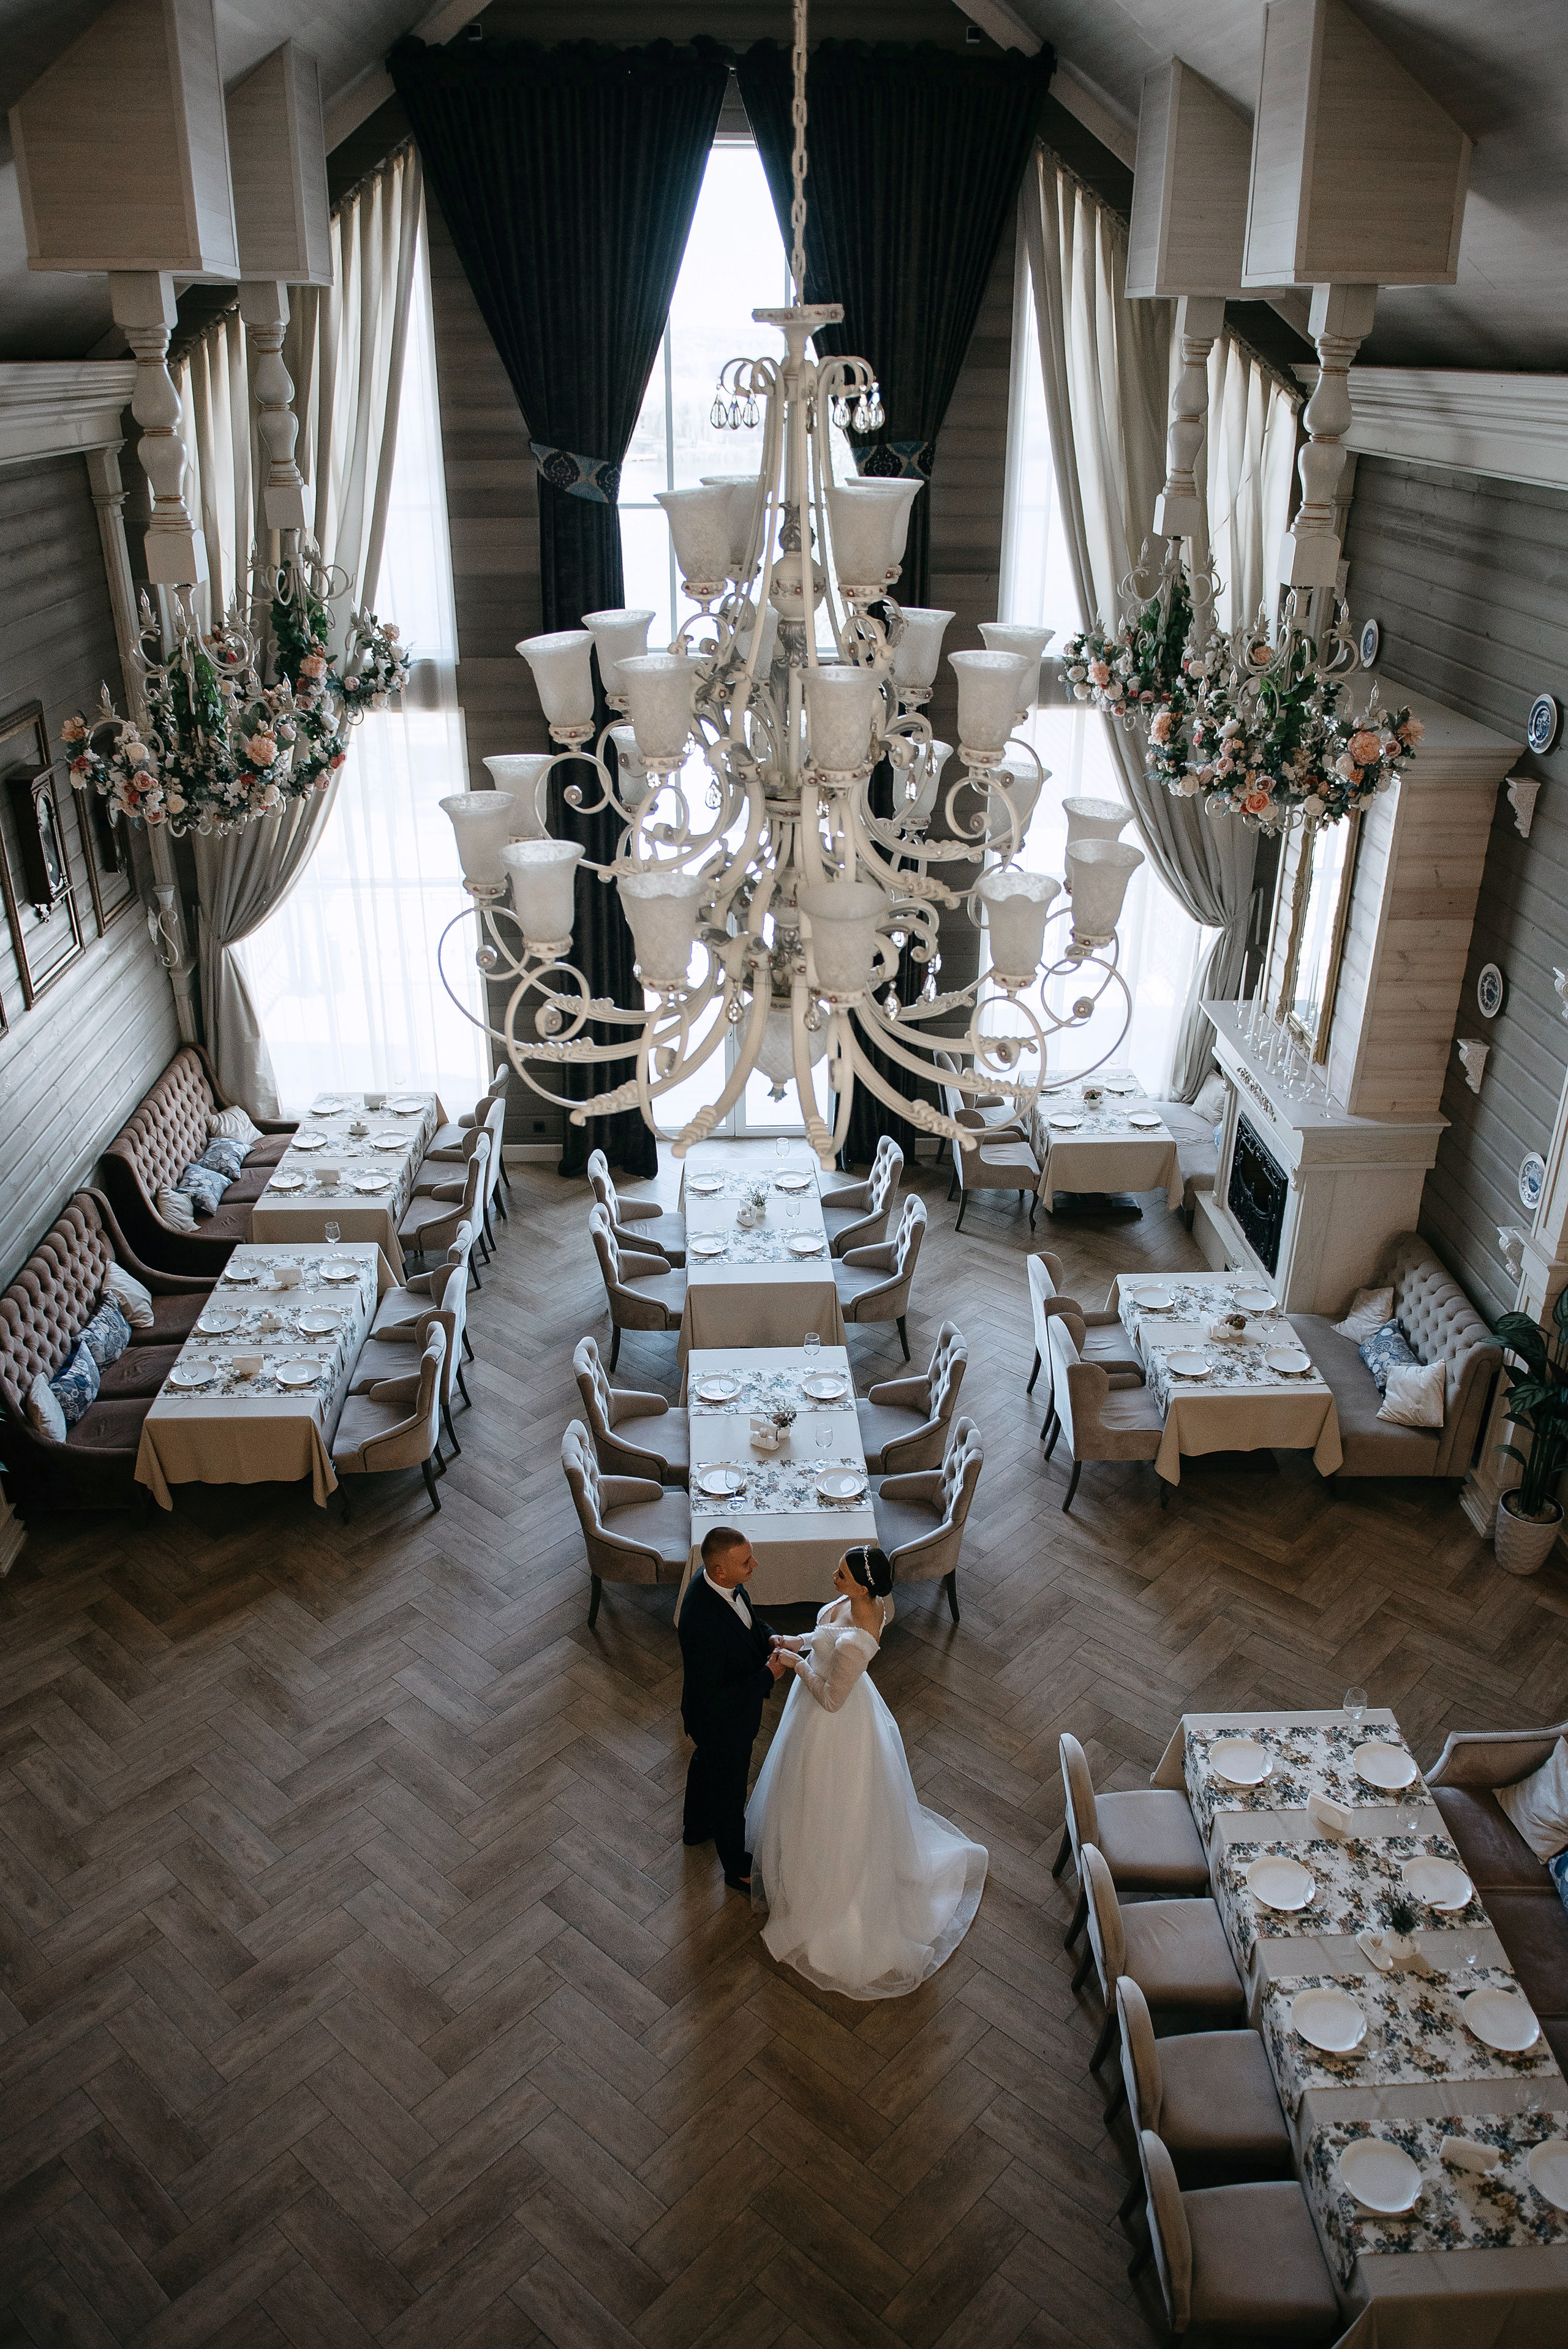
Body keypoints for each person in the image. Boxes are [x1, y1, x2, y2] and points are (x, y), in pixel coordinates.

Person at [746, 1544, 987, 1999]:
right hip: (811, 1708)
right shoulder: (852, 1601)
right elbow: (821, 1635)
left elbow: (833, 1699)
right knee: (800, 1794)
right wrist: (796, 1642)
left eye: (840, 1573)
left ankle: (828, 1894)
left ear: (861, 1585)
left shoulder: (861, 1634)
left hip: (834, 1725)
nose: (832, 1575)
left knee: (831, 1804)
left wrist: (796, 1665)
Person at [677, 1523, 790, 1891]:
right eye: (746, 1562)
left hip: (713, 1721)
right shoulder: (701, 1622)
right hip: (721, 1721)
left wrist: (768, 1635)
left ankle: (696, 1828)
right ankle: (735, 1866)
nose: (754, 1564)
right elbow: (718, 1693)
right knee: (729, 1794)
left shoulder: (721, 1583)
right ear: (720, 1570)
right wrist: (769, 1675)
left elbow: (747, 1626)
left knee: (704, 1762)